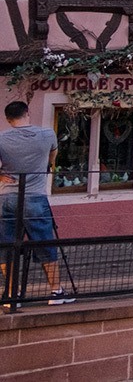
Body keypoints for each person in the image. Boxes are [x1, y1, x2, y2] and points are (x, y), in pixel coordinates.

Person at [0, 101, 73, 304]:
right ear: (27, 113)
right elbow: (53, 156)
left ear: (8, 119)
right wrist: (46, 165)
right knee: (45, 243)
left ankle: (12, 294)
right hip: (35, 196)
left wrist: (1, 177)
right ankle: (56, 292)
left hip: (7, 197)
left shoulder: (2, 138)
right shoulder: (47, 134)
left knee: (7, 246)